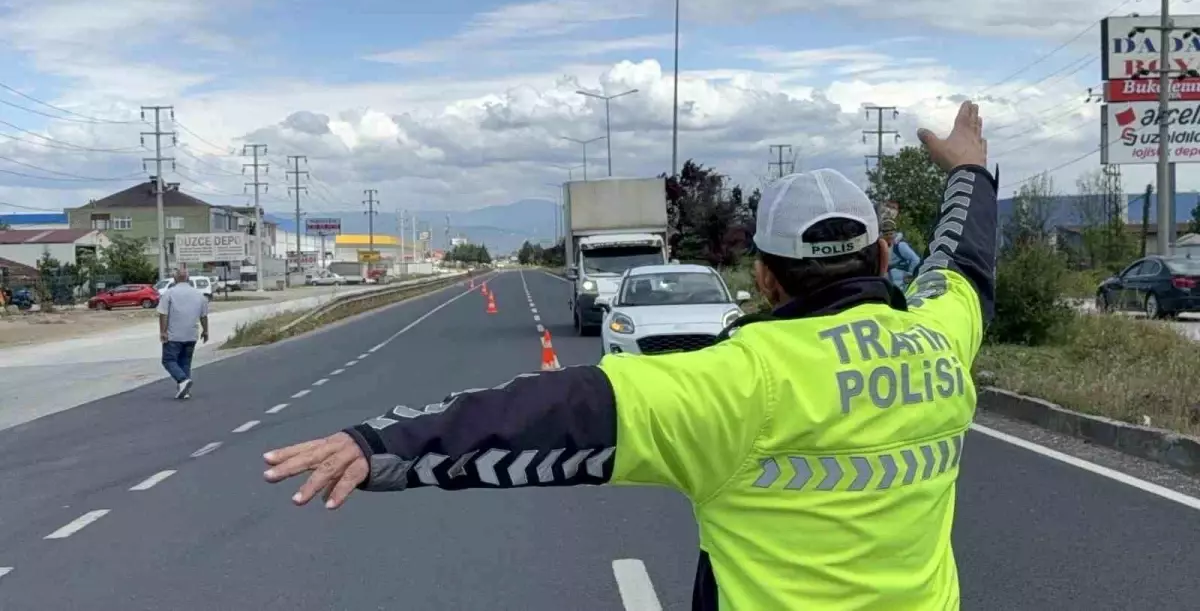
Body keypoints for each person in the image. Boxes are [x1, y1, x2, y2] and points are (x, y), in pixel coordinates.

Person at [263, 101, 996, 610]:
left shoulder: (743, 380)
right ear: (877, 254)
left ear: (765, 278)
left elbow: (554, 413)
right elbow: (963, 265)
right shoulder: (938, 340)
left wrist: (383, 444)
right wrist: (971, 171)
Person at [158, 270, 210, 400]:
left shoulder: (169, 293)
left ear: (175, 279)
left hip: (174, 335)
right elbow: (204, 316)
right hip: (191, 334)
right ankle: (184, 390)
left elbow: (163, 314)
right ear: (188, 279)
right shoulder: (199, 295)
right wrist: (206, 330)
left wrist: (163, 331)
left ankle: (182, 380)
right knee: (185, 362)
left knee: (168, 360)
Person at [882, 218, 922, 288]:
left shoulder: (900, 246)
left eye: (891, 234)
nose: (888, 236)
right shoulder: (881, 247)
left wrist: (910, 273)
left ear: (894, 233)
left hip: (904, 285)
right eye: (886, 234)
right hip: (890, 285)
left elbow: (916, 260)